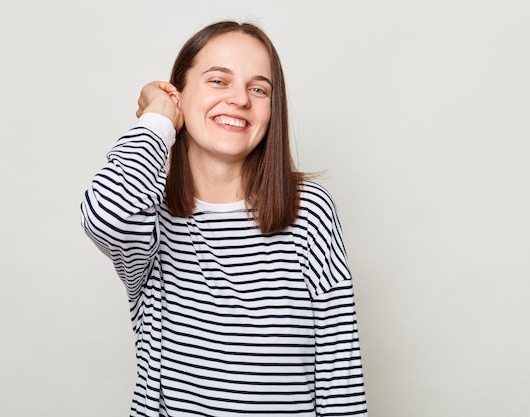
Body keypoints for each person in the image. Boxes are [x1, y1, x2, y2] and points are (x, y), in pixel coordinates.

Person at [81, 20, 368, 417]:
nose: (240, 100)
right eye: (218, 81)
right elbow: (105, 216)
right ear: (179, 92)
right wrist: (159, 118)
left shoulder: (309, 210)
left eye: (258, 88)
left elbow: (341, 377)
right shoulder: (149, 213)